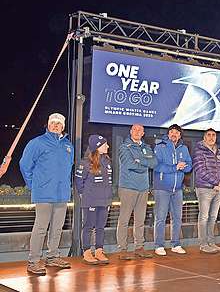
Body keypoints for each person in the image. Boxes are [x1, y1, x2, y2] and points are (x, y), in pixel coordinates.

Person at [19, 113, 74, 275]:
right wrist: (34, 185)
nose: (56, 125)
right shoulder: (37, 143)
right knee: (41, 227)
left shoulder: (68, 146)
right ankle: (34, 261)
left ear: (63, 127)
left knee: (57, 227)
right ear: (48, 125)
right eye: (53, 123)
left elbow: (68, 168)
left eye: (59, 123)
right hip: (43, 193)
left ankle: (52, 256)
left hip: (62, 194)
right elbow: (25, 165)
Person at [116, 123, 157, 260]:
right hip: (128, 187)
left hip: (143, 187)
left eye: (140, 130)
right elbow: (129, 165)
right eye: (135, 129)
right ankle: (122, 248)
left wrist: (141, 161)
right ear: (130, 131)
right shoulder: (124, 147)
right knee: (124, 219)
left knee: (140, 219)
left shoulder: (147, 147)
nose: (137, 131)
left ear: (143, 133)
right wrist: (144, 163)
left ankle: (139, 246)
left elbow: (154, 163)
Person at [152, 124, 192, 256]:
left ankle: (176, 244)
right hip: (162, 188)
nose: (174, 134)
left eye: (176, 132)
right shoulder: (160, 147)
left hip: (178, 189)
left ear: (180, 135)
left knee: (177, 218)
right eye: (171, 132)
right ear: (168, 134)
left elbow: (189, 166)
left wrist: (184, 167)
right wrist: (175, 167)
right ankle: (159, 245)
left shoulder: (184, 148)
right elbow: (157, 166)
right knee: (160, 218)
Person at [75, 134, 112, 265]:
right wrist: (85, 195)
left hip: (105, 200)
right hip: (90, 200)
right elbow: (79, 182)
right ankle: (86, 252)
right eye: (104, 144)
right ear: (97, 147)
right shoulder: (85, 163)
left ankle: (99, 250)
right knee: (88, 226)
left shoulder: (107, 161)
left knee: (101, 227)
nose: (107, 146)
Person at [192, 128, 220, 254]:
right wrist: (216, 182)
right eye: (209, 135)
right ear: (204, 137)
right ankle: (203, 244)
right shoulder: (199, 151)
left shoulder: (218, 151)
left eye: (214, 135)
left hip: (217, 190)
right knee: (204, 217)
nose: (211, 137)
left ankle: (211, 242)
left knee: (213, 217)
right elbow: (200, 170)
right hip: (204, 189)